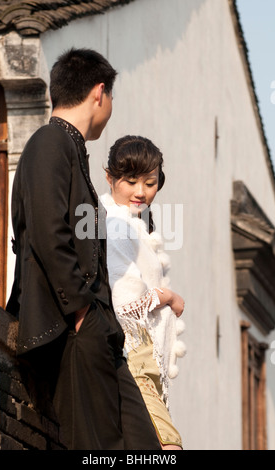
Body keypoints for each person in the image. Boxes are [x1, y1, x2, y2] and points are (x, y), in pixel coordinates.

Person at [6, 49, 161, 450]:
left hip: (100, 329)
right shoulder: (49, 142)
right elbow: (47, 231)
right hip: (73, 327)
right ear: (99, 93)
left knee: (147, 443)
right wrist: (79, 311)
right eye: (111, 97)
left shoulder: (70, 149)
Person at [101, 135, 187, 450]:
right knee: (168, 446)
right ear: (109, 177)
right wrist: (167, 297)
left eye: (150, 183)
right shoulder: (116, 226)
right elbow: (125, 308)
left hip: (140, 357)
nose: (141, 192)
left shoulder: (133, 224)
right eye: (131, 181)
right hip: (133, 357)